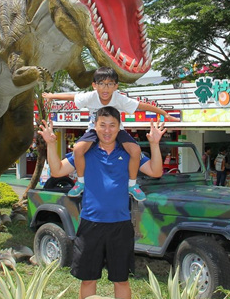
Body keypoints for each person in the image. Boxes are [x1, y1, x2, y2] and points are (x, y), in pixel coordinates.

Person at [38, 106, 166, 299]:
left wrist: (155, 144)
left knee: (121, 280)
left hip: (121, 226)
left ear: (119, 128)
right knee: (88, 280)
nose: (107, 130)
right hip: (90, 224)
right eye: (103, 125)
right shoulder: (86, 152)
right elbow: (57, 171)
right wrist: (50, 143)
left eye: (112, 125)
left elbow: (156, 171)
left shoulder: (129, 153)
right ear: (95, 127)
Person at [43, 66, 179, 201]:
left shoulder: (120, 99)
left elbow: (142, 106)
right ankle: (80, 182)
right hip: (92, 131)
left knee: (135, 149)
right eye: (101, 84)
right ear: (94, 85)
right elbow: (72, 97)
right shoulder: (90, 97)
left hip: (119, 132)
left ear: (116, 86)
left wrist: (164, 115)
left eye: (109, 84)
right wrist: (51, 96)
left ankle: (132, 185)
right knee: (78, 148)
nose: (105, 88)